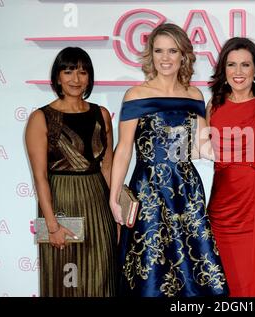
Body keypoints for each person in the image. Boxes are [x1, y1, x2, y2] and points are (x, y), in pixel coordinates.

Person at [109, 23, 228, 297]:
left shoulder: (194, 95)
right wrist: (114, 197)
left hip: (186, 190)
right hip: (148, 190)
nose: (165, 57)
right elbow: (124, 149)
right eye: (159, 50)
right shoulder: (136, 94)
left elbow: (202, 147)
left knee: (193, 267)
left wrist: (243, 147)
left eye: (172, 50)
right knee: (150, 266)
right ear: (150, 54)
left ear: (183, 55)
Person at [25, 47, 117, 296]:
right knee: (65, 281)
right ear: (57, 77)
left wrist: (116, 213)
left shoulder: (102, 115)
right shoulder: (41, 118)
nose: (76, 79)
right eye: (68, 72)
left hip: (98, 204)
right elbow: (40, 177)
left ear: (90, 77)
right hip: (62, 204)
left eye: (82, 72)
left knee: (102, 278)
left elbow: (107, 167)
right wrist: (52, 226)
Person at [206, 37, 255, 297]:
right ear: (223, 71)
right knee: (224, 281)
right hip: (222, 208)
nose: (238, 72)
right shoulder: (214, 107)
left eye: (245, 65)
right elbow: (199, 151)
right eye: (232, 65)